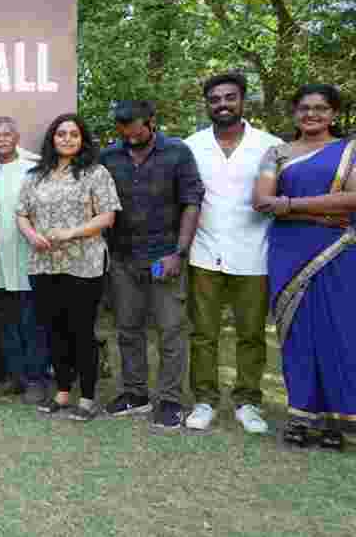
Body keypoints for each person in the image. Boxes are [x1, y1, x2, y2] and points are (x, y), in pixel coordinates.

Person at [254, 84, 356, 450]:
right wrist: (321, 210)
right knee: (295, 335)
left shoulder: (349, 150)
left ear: (334, 113)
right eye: (305, 108)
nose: (312, 114)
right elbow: (261, 200)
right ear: (295, 113)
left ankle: (336, 422)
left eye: (321, 108)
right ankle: (301, 416)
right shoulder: (277, 152)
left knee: (339, 334)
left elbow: (353, 199)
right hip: (289, 252)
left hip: (338, 252)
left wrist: (290, 205)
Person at [184, 73, 282, 434]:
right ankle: (204, 400)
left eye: (230, 97)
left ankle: (248, 402)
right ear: (207, 105)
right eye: (215, 99)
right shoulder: (191, 146)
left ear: (243, 100)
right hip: (204, 252)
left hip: (254, 252)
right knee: (203, 333)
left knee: (251, 334)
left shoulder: (271, 146)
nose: (222, 104)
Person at [99, 101, 203, 430]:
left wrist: (179, 252)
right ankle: (135, 394)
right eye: (123, 130)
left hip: (163, 259)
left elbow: (192, 202)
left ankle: (171, 399)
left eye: (135, 129)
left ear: (150, 122)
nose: (129, 136)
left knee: (170, 329)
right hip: (123, 259)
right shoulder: (109, 156)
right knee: (128, 328)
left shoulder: (177, 152)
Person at [17, 114, 120, 421]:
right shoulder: (36, 175)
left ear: (82, 139)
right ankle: (62, 392)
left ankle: (87, 397)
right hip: (44, 263)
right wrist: (31, 235)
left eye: (74, 134)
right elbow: (21, 214)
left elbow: (108, 216)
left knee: (81, 331)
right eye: (61, 133)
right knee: (54, 329)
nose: (67, 139)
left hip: (84, 263)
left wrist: (70, 233)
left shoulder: (96, 173)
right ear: (52, 138)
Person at [0, 116, 49, 405]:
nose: (1, 139)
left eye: (6, 134)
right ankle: (14, 377)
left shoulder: (33, 170)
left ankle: (36, 380)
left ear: (16, 137)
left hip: (29, 257)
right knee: (5, 324)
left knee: (31, 322)